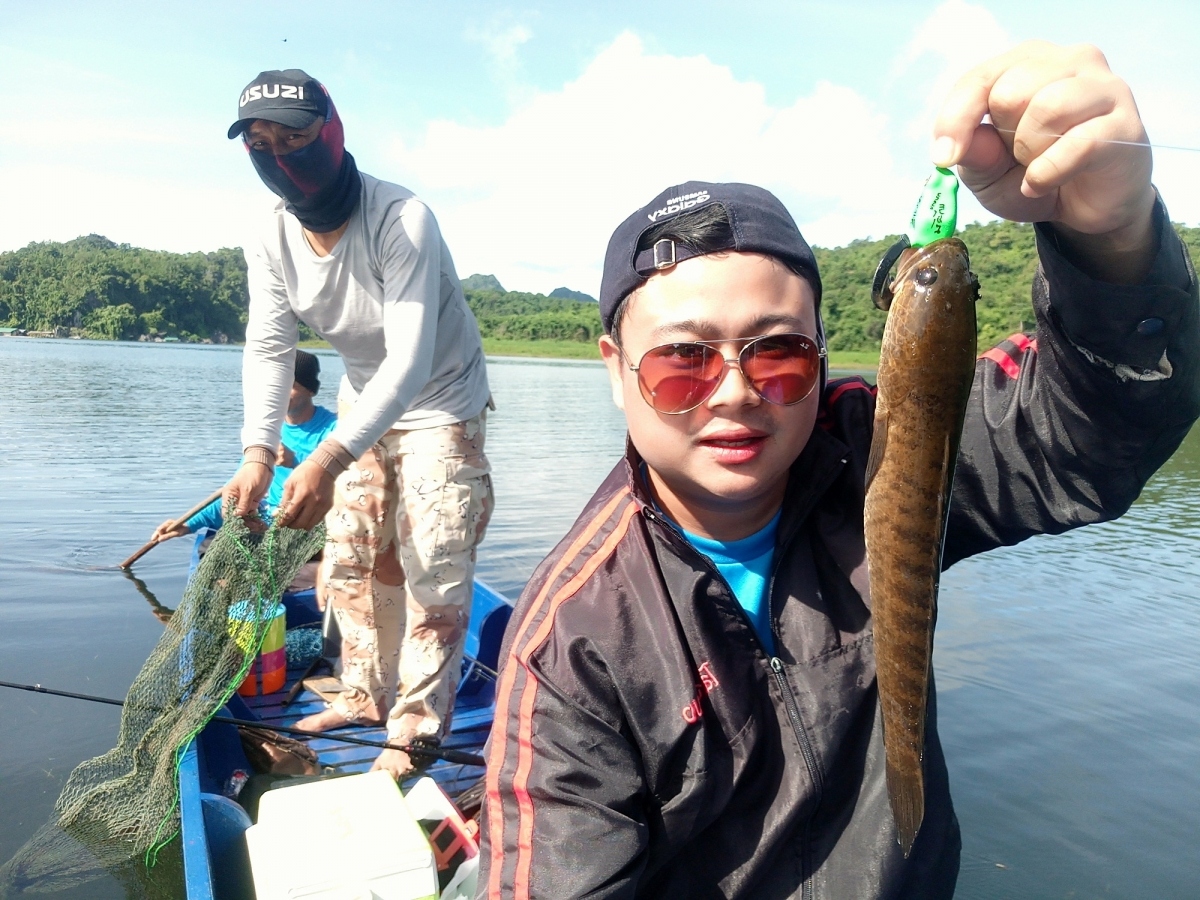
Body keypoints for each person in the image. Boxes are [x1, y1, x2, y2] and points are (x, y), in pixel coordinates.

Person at [478, 42, 1200, 898]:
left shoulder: (876, 446)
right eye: (683, 364)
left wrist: (1112, 243)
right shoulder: (573, 646)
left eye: (779, 356)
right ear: (613, 367)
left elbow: (1095, 425)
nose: (738, 395)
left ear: (824, 354)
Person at [221, 69, 494, 780]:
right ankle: (363, 693)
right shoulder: (269, 231)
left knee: (432, 561)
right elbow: (270, 344)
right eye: (259, 142)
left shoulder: (402, 219)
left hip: (440, 402)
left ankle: (416, 728)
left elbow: (410, 359)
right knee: (349, 556)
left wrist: (328, 457)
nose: (278, 154)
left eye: (295, 137)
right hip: (367, 401)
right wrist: (257, 453)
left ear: (332, 133)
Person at [151, 350, 336, 541]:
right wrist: (187, 524)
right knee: (206, 542)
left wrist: (295, 463)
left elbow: (350, 488)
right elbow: (239, 490)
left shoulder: (335, 429)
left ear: (311, 390)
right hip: (265, 522)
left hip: (306, 528)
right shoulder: (266, 430)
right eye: (277, 384)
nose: (281, 393)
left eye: (291, 386)